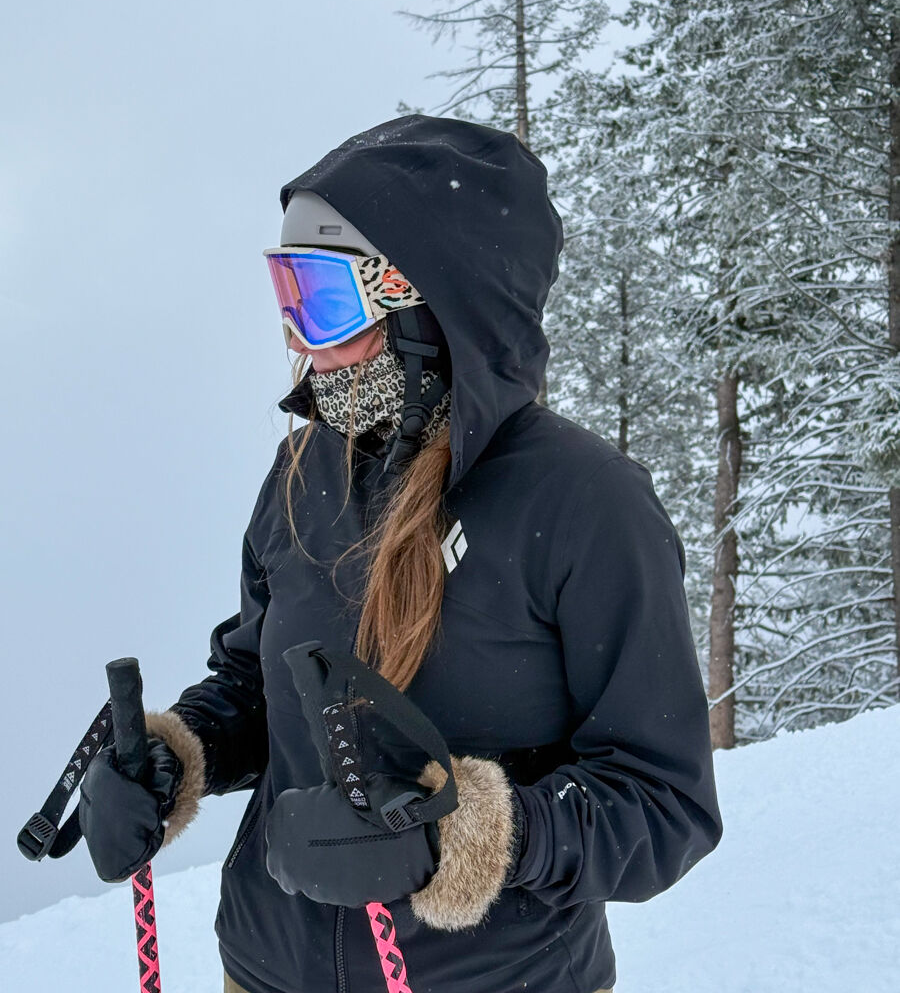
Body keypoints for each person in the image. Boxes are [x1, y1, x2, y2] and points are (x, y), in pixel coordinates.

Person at [78, 115, 723, 993]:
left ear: (429, 304)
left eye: (325, 298)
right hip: (264, 970)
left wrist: (463, 836)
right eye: (288, 297)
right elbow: (252, 687)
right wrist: (174, 757)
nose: (304, 341)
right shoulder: (306, 471)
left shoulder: (584, 502)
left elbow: (662, 803)